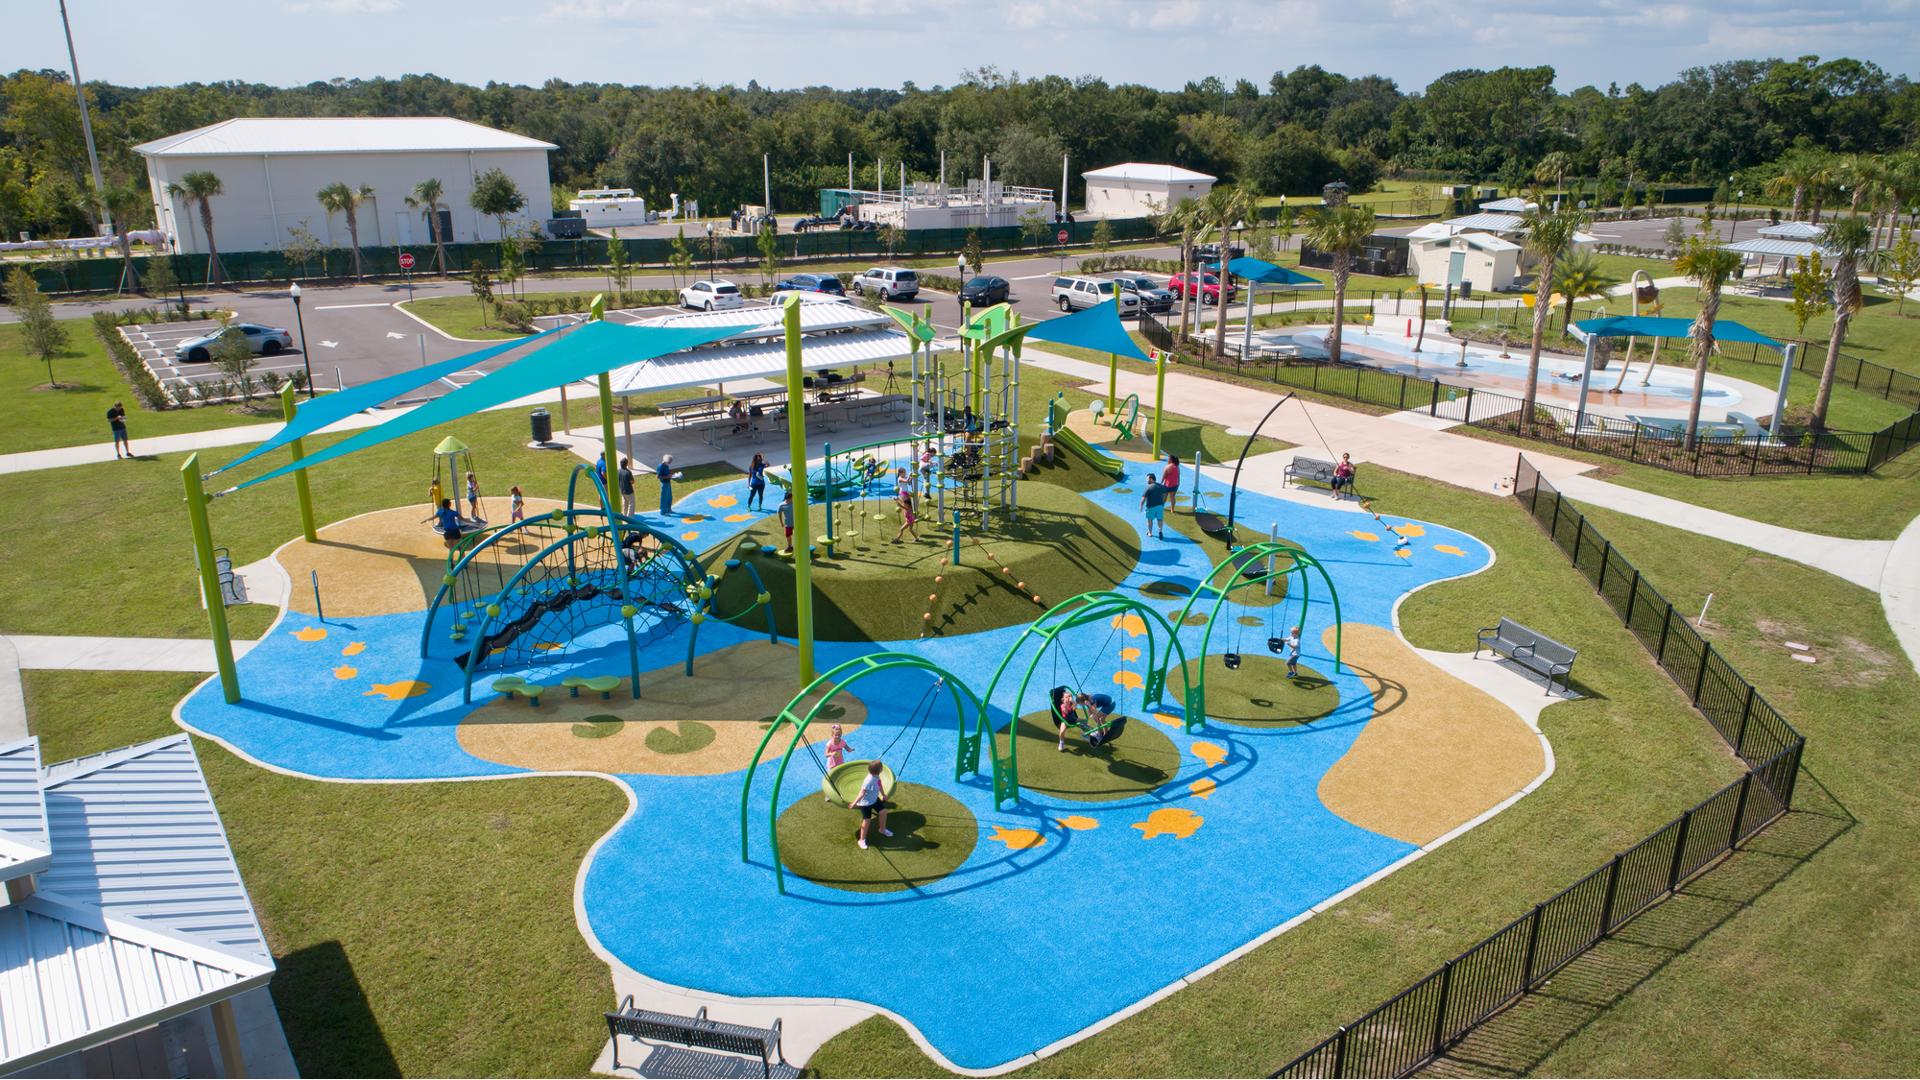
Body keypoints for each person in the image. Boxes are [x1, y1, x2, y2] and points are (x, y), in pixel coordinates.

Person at [850, 759, 893, 850]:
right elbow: (862, 793)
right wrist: (854, 803)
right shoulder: (868, 780)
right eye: (881, 767)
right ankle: (861, 840)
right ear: (880, 769)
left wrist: (883, 794)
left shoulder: (877, 776)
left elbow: (879, 784)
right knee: (867, 821)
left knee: (883, 812)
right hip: (865, 803)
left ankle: (882, 829)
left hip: (874, 799)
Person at [1051, 686, 1080, 752]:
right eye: (1066, 697)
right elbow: (1066, 712)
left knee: (1084, 722)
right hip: (1065, 720)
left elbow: (1074, 709)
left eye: (1069, 697)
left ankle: (1089, 734)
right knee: (1062, 731)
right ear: (1063, 699)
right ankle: (1061, 743)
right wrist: (1068, 704)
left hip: (1073, 718)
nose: (1068, 698)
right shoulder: (1063, 705)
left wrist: (1073, 702)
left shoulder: (1072, 703)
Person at [1139, 475, 1167, 540]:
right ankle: (1160, 531)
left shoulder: (1148, 487)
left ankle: (1150, 532)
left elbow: (1143, 498)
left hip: (1150, 507)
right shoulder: (1161, 486)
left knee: (1150, 520)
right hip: (1160, 506)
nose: (1147, 480)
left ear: (1151, 479)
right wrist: (1163, 503)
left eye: (1148, 479)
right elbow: (1165, 494)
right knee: (1159, 519)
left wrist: (1141, 505)